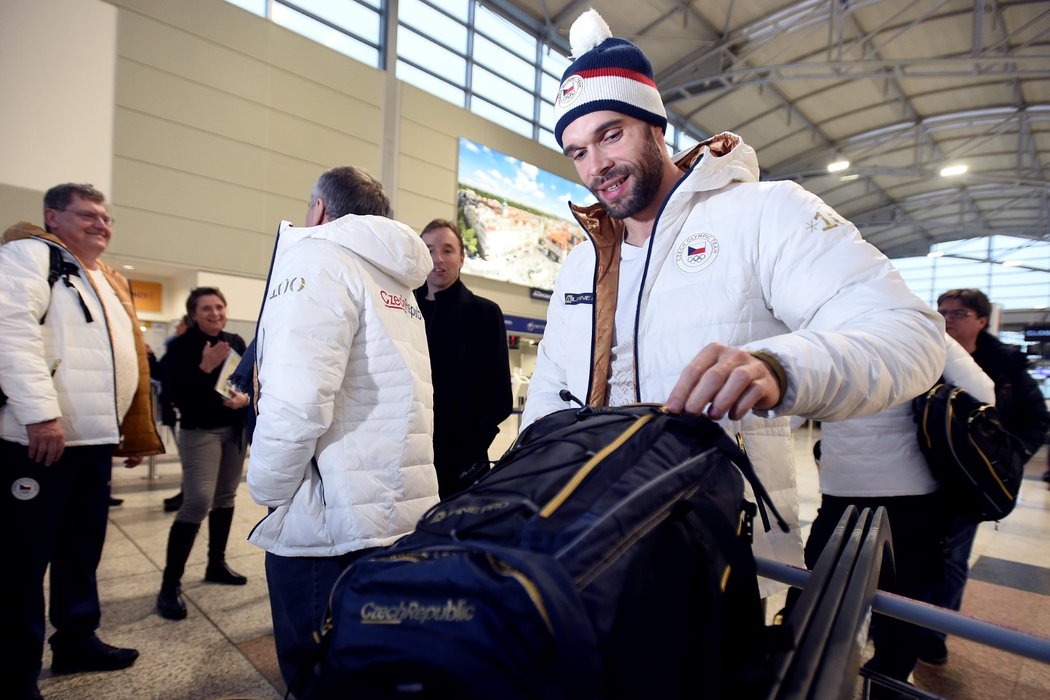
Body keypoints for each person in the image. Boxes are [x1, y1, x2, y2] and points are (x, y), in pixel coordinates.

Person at [522, 9, 947, 590]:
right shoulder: (580, 262)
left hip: (720, 546)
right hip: (587, 548)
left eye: (611, 134)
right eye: (577, 151)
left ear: (654, 127)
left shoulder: (764, 213)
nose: (596, 167)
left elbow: (908, 331)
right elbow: (549, 390)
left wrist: (778, 367)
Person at [247, 166, 439, 696]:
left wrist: (266, 488)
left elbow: (297, 399)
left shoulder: (317, 258)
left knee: (318, 669)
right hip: (391, 509)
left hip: (327, 520)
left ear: (319, 210)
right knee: (371, 663)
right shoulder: (392, 277)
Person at [0, 183, 163, 700]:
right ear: (53, 215)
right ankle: (13, 669)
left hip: (92, 439)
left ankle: (75, 639)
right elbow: (11, 331)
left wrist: (128, 431)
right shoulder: (30, 255)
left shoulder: (103, 277)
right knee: (23, 559)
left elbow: (123, 362)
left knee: (80, 549)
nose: (101, 224)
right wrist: (40, 414)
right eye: (88, 214)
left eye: (106, 217)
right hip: (42, 438)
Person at [804, 335, 994, 689]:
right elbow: (982, 392)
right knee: (903, 600)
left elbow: (804, 399)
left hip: (841, 489)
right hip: (911, 495)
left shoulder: (830, 334)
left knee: (824, 587)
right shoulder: (924, 332)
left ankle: (815, 676)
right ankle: (887, 683)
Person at [918, 288, 1050, 665]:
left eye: (958, 313)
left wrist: (1007, 459)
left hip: (972, 481)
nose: (946, 320)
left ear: (981, 320)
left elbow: (1036, 420)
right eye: (941, 311)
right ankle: (902, 623)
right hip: (924, 476)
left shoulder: (1005, 366)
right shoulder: (927, 358)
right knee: (915, 553)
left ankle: (933, 633)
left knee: (952, 560)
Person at [155, 287, 251, 620]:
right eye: (206, 308)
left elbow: (247, 381)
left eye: (219, 307)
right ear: (193, 314)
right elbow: (175, 395)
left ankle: (216, 564)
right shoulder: (181, 346)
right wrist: (204, 369)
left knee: (225, 497)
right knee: (196, 500)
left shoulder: (235, 340)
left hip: (233, 430)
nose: (215, 313)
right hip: (200, 431)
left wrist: (244, 399)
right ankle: (170, 584)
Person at [413, 218, 512, 498]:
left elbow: (500, 398)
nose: (438, 259)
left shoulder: (484, 314)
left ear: (462, 259)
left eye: (447, 250)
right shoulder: (403, 310)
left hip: (461, 461)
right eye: (429, 250)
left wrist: (472, 443)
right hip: (407, 457)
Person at [161, 315, 191, 513]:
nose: (177, 327)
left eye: (180, 324)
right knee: (186, 459)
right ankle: (185, 493)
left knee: (190, 459)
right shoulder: (176, 348)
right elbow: (161, 372)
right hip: (174, 410)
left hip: (184, 413)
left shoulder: (184, 349)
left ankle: (186, 494)